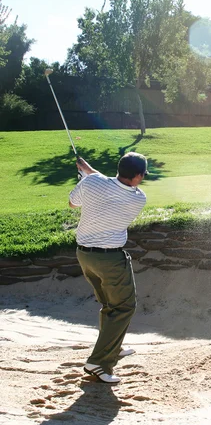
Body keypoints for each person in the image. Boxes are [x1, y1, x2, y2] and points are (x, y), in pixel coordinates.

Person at [69, 152, 148, 384]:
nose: (142, 179)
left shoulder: (92, 182)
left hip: (84, 256)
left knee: (109, 305)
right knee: (124, 307)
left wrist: (86, 174)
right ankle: (99, 363)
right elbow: (111, 186)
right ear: (137, 176)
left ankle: (114, 346)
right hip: (110, 261)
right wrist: (89, 173)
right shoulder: (138, 198)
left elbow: (73, 202)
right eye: (142, 175)